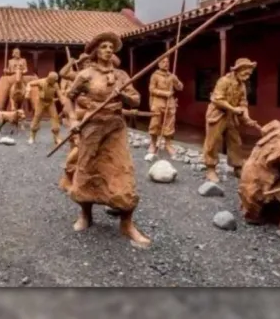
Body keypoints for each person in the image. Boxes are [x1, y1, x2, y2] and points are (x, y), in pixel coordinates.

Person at [61, 31, 151, 248]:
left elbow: (136, 100)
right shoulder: (86, 75)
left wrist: (124, 94)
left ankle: (127, 223)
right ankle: (85, 215)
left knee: (123, 169)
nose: (109, 50)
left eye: (111, 47)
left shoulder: (120, 75)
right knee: (87, 168)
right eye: (104, 47)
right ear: (95, 51)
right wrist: (73, 120)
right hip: (92, 127)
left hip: (115, 127)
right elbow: (68, 97)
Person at [202, 58, 260, 182]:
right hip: (217, 114)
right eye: (246, 73)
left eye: (249, 74)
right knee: (212, 142)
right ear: (238, 70)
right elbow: (217, 99)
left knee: (235, 141)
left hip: (230, 116)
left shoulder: (242, 86)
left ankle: (237, 166)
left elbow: (243, 103)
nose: (247, 76)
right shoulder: (224, 81)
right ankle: (211, 168)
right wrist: (233, 109)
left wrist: (247, 118)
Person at [147, 56, 183, 156]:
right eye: (163, 62)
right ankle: (153, 144)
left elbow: (179, 87)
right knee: (155, 123)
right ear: (159, 64)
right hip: (158, 102)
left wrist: (179, 84)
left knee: (169, 123)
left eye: (167, 62)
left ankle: (168, 144)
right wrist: (164, 93)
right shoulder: (155, 75)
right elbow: (152, 89)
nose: (166, 63)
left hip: (170, 102)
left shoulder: (172, 76)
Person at [26, 72, 64, 145]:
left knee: (55, 117)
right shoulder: (41, 81)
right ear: (49, 79)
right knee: (37, 117)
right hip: (41, 102)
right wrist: (28, 90)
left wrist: (63, 101)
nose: (55, 82)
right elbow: (29, 83)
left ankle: (57, 137)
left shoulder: (55, 84)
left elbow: (59, 93)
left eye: (55, 80)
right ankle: (32, 137)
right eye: (54, 80)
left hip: (50, 102)